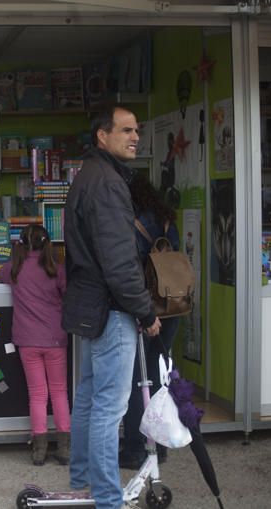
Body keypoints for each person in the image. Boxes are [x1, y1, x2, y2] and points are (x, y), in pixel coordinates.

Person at [62, 105, 161, 509]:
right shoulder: (107, 183)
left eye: (136, 130)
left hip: (91, 305)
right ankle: (106, 498)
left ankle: (83, 481)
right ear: (102, 136)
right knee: (108, 406)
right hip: (111, 308)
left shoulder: (90, 176)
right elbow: (119, 260)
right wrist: (146, 310)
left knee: (88, 396)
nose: (135, 136)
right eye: (125, 130)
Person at [119, 173, 181, 470]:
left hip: (146, 308)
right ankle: (160, 443)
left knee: (136, 379)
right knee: (160, 377)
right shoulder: (168, 221)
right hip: (174, 306)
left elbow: (129, 270)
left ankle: (135, 447)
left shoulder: (131, 224)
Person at [0, 224, 70, 467]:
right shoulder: (56, 270)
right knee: (59, 392)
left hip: (27, 341)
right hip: (55, 339)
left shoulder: (14, 270)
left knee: (37, 395)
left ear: (21, 244)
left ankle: (39, 450)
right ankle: (64, 448)